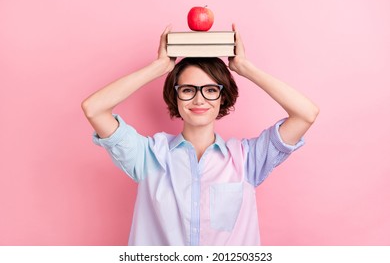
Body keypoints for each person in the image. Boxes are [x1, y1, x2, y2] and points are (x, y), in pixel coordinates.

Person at [81, 24, 319, 245]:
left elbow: (306, 114)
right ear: (175, 96)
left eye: (210, 90)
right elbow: (94, 108)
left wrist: (246, 68)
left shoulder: (248, 159)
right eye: (187, 89)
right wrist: (159, 67)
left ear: (223, 97)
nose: (199, 99)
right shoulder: (148, 156)